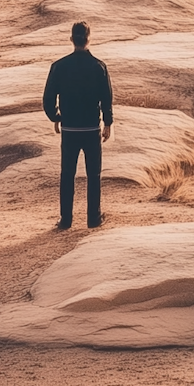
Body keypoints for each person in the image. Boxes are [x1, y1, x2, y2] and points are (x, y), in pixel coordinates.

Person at [41, 20, 113, 230]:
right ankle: (93, 218)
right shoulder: (99, 66)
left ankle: (66, 220)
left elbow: (47, 99)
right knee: (94, 174)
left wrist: (56, 117)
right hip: (91, 129)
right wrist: (107, 122)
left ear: (71, 39)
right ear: (89, 39)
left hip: (70, 129)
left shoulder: (59, 66)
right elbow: (106, 98)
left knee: (67, 175)